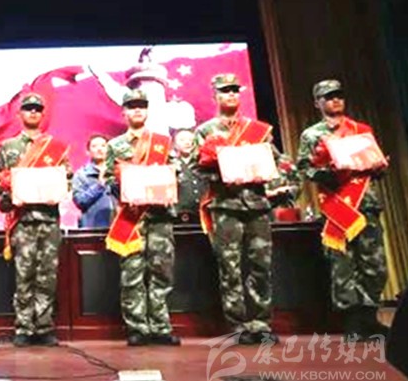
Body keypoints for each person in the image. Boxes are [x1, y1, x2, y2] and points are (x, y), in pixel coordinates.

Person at [192, 74, 290, 345]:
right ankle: (238, 325)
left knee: (261, 265)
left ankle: (261, 323)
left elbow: (277, 161)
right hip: (226, 205)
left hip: (257, 205)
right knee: (230, 267)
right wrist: (224, 173)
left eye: (235, 90)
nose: (231, 95)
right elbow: (196, 168)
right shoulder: (206, 131)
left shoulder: (258, 130)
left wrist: (279, 183)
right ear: (215, 96)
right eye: (225, 91)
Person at [297, 79, 389, 342]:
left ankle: (370, 317)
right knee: (343, 265)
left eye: (338, 95)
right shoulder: (312, 135)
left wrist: (380, 167)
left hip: (366, 203)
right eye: (328, 97)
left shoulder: (360, 130)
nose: (335, 100)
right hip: (337, 205)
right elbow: (304, 168)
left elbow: (373, 166)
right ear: (317, 103)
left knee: (374, 264)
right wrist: (329, 172)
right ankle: (352, 322)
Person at [0, 93, 71, 347]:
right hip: (22, 221)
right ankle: (24, 327)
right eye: (28, 108)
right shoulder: (8, 147)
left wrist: (60, 191)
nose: (33, 112)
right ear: (20, 114)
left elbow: (67, 179)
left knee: (47, 276)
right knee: (23, 276)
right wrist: (7, 192)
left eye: (37, 109)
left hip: (48, 220)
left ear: (43, 114)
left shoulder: (56, 148)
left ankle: (44, 326)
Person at [104, 89, 180, 346]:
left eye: (141, 106)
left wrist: (166, 182)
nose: (137, 110)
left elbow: (176, 173)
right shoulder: (115, 146)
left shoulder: (162, 143)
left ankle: (161, 327)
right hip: (131, 219)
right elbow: (107, 179)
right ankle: (137, 328)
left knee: (162, 273)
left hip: (159, 217)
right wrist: (122, 182)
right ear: (123, 112)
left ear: (147, 111)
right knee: (132, 274)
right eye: (132, 106)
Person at [72, 134, 114, 228]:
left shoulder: (116, 172)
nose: (99, 149)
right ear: (88, 152)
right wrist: (99, 185)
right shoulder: (81, 174)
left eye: (103, 146)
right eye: (94, 146)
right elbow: (79, 201)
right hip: (93, 226)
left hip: (117, 227)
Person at [173, 129, 206, 223]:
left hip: (203, 213)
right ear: (174, 144)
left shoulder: (203, 163)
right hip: (180, 214)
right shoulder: (170, 164)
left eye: (190, 140)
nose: (187, 143)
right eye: (182, 140)